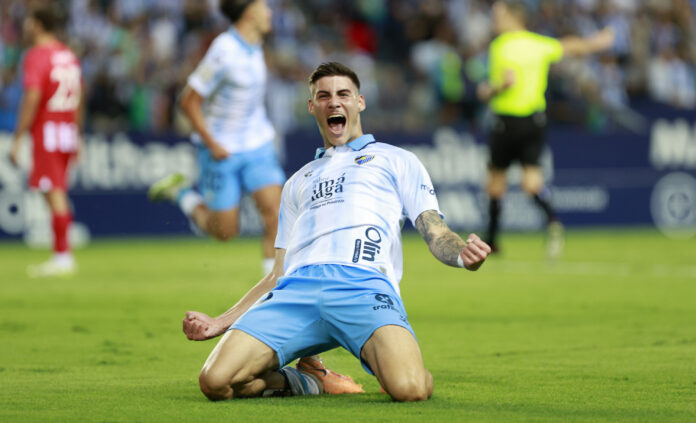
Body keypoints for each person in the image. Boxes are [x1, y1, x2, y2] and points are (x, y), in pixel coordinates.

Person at [182, 62, 491, 402]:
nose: (334, 102)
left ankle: (394, 364)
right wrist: (219, 322)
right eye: (323, 96)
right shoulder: (296, 182)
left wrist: (462, 255)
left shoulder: (396, 159)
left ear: (360, 102)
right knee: (216, 382)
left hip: (363, 287)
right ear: (312, 107)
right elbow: (277, 274)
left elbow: (435, 231)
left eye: (343, 94)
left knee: (410, 389)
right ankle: (309, 380)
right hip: (295, 293)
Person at [148, 0, 284, 275]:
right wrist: (212, 144)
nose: (269, 12)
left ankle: (272, 289)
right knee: (224, 231)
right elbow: (188, 101)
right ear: (249, 12)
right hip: (221, 150)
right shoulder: (224, 50)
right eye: (263, 6)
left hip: (257, 146)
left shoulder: (256, 45)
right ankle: (181, 193)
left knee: (276, 216)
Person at [477, 0, 615, 258]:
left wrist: (492, 89)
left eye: (499, 14)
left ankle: (494, 241)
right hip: (533, 122)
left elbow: (495, 86)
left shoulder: (499, 47)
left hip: (506, 121)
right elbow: (569, 46)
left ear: (514, 16)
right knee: (530, 184)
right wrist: (597, 42)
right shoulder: (538, 44)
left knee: (496, 184)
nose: (494, 19)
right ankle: (551, 222)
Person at [10, 4, 83, 277]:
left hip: (48, 131)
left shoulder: (37, 55)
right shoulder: (68, 55)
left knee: (54, 192)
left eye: (29, 21)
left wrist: (18, 137)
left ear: (38, 24)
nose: (26, 26)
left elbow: (32, 96)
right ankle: (63, 253)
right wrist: (78, 133)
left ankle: (63, 256)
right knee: (54, 190)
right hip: (66, 132)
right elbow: (79, 96)